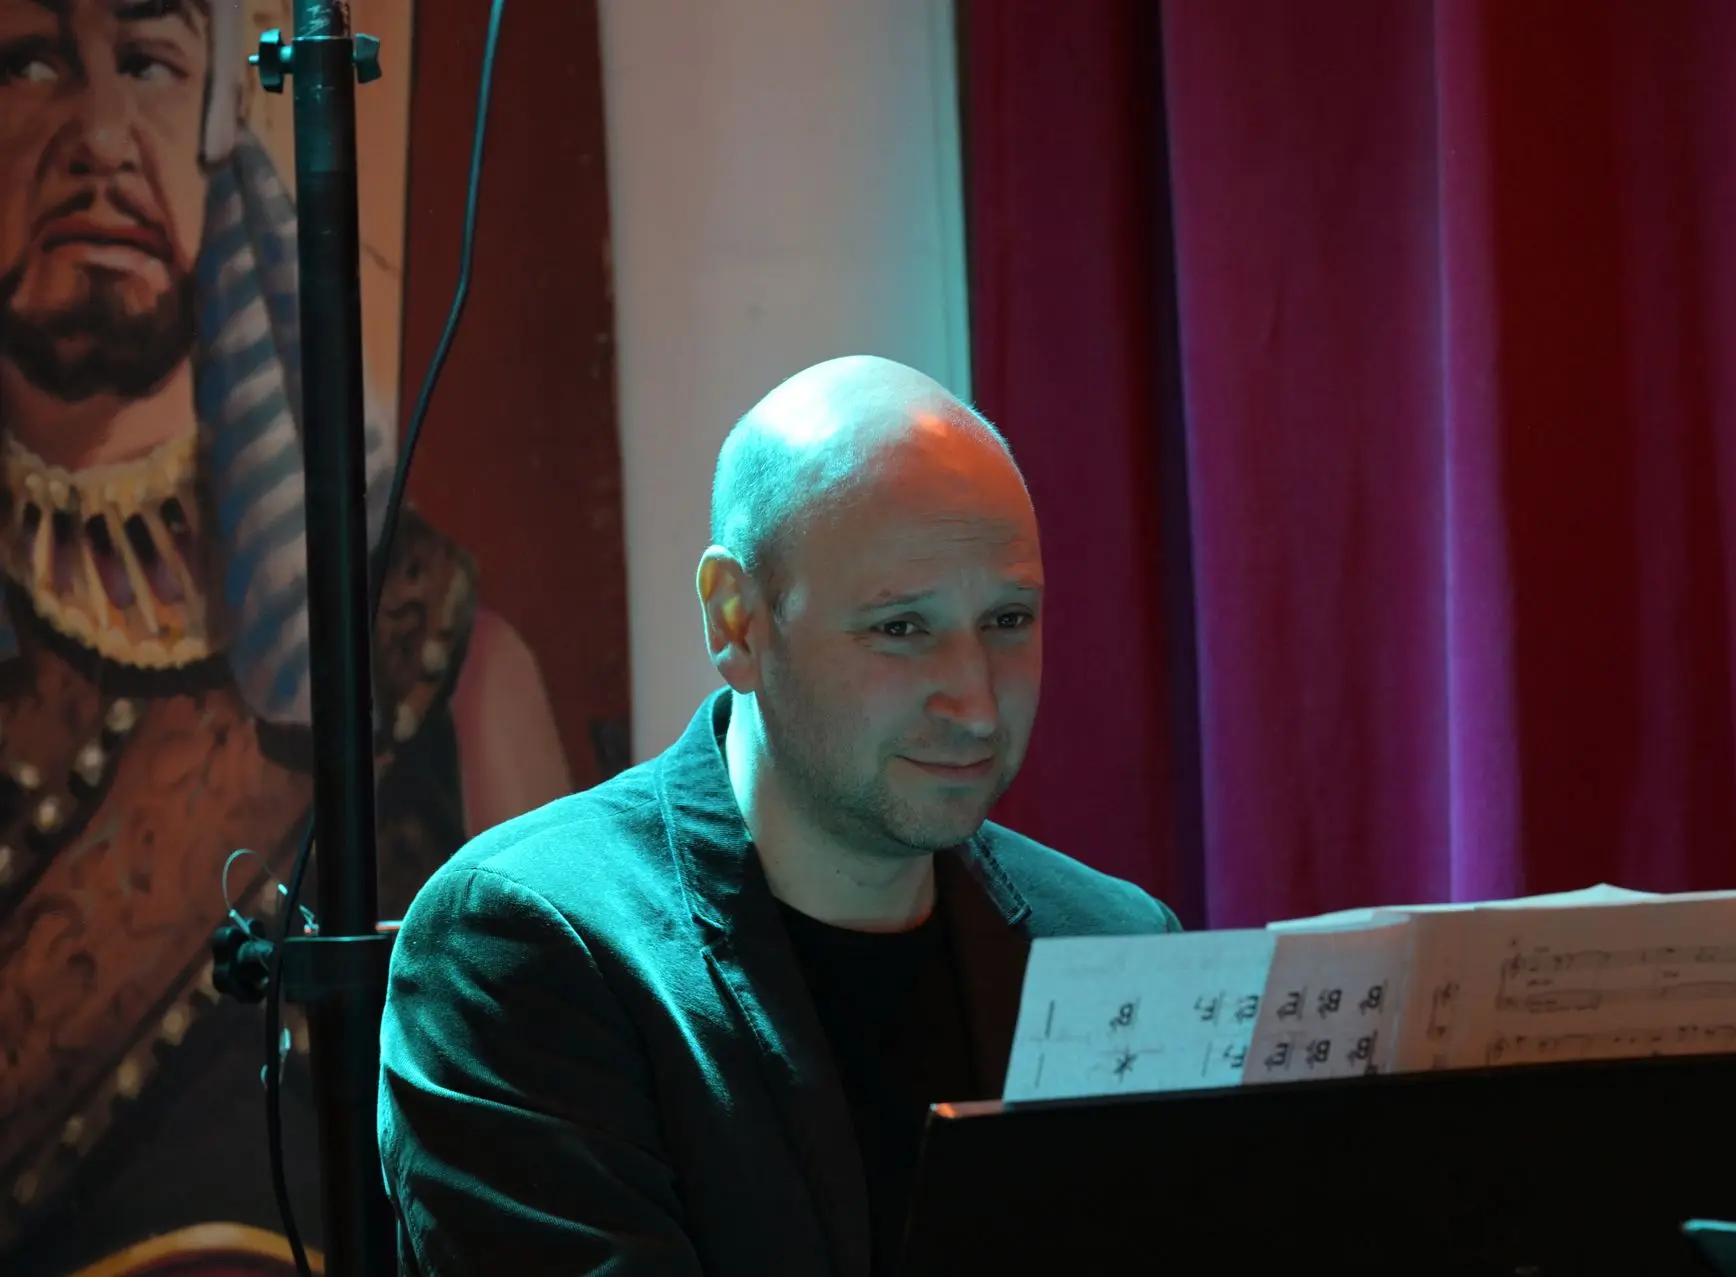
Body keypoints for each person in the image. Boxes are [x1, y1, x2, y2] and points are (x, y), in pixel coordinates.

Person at [379, 355, 1181, 1276]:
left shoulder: (1113, 940)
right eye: (901, 627)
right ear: (737, 621)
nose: (976, 704)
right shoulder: (526, 945)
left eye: (1008, 620)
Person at [0, 1, 572, 1272]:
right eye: (31, 61)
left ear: (224, 119)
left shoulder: (437, 654)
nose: (102, 135)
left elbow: (554, 1132)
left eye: (150, 62)